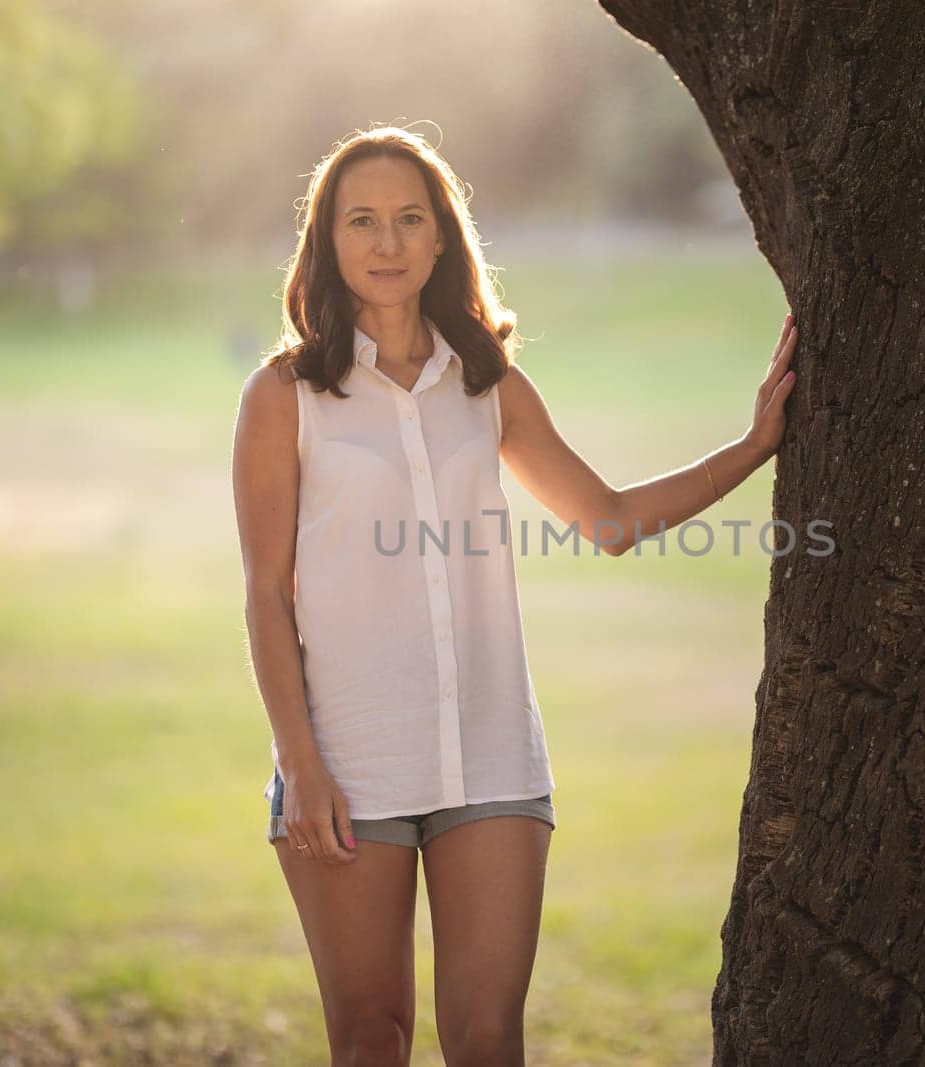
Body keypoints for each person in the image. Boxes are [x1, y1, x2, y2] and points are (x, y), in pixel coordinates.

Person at [230, 125, 798, 1066]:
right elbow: (263, 591)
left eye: (410, 219)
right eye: (361, 221)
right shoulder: (284, 394)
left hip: (491, 759)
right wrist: (303, 763)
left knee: (489, 1041)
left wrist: (750, 448)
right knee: (373, 1038)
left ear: (443, 237)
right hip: (347, 759)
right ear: (326, 242)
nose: (386, 243)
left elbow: (607, 518)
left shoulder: (486, 384)